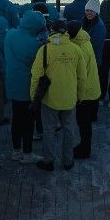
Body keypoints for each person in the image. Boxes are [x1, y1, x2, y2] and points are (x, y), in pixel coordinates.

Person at [29, 17, 86, 171]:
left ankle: (48, 161)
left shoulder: (44, 50)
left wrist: (34, 96)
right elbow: (82, 76)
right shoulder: (76, 49)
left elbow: (36, 75)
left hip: (50, 98)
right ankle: (68, 161)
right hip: (69, 97)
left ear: (52, 31)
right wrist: (80, 95)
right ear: (66, 32)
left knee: (49, 129)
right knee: (68, 128)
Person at [5, 10, 47, 161]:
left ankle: (16, 150)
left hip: (11, 84)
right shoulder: (33, 44)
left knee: (16, 118)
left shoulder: (10, 34)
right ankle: (27, 153)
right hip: (27, 87)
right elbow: (39, 63)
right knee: (29, 121)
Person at [68, 18, 102, 160]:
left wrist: (77, 95)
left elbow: (80, 75)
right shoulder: (85, 40)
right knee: (86, 123)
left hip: (85, 93)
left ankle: (85, 149)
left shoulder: (79, 49)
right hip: (93, 88)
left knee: (83, 123)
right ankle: (84, 145)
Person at [82, 0, 106, 65]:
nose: (89, 13)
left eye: (91, 11)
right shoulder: (83, 20)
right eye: (87, 10)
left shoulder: (99, 27)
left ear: (97, 12)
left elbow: (94, 46)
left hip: (93, 61)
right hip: (84, 58)